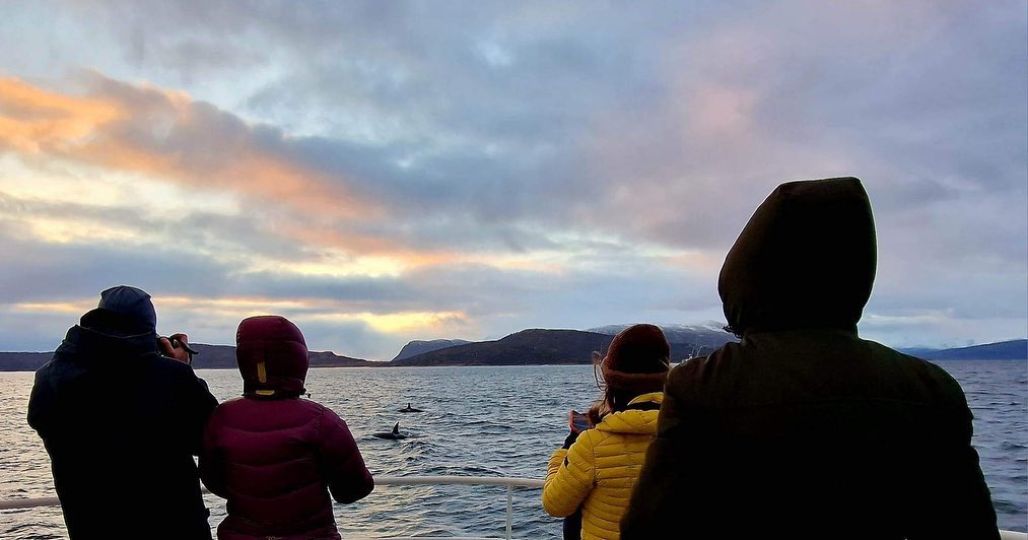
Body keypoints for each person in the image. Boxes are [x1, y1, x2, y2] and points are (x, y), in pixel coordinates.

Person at [620, 178, 999, 539]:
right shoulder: (931, 391)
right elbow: (966, 529)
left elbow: (650, 528)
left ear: (745, 274)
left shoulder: (703, 385)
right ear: (857, 273)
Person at [27, 285, 218, 539]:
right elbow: (208, 438)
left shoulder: (51, 378)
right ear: (148, 329)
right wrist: (178, 368)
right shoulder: (172, 378)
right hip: (174, 527)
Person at [200, 315, 373, 540]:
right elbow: (353, 490)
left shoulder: (221, 417)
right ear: (298, 359)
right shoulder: (322, 421)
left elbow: (213, 480)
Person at [542, 324, 670, 540]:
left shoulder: (592, 443)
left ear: (612, 384)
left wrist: (566, 450)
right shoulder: (698, 435)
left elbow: (554, 504)